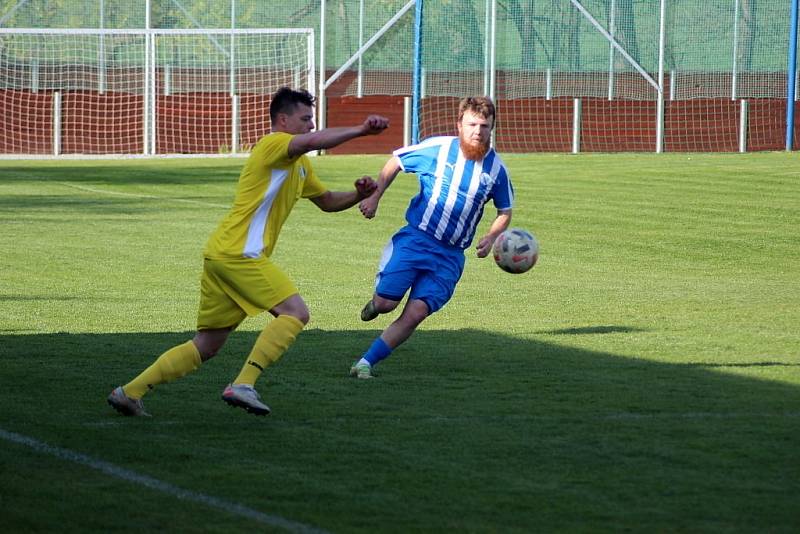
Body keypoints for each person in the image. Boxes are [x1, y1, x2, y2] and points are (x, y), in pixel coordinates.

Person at [108, 87, 389, 416]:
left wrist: (357, 194)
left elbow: (327, 202)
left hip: (222, 254)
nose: (311, 125)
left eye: (312, 119)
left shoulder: (299, 166)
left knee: (208, 344)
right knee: (295, 313)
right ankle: (243, 384)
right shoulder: (273, 145)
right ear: (282, 120)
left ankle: (129, 392)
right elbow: (312, 142)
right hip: (241, 254)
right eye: (305, 118)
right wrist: (360, 130)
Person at [350, 96, 513, 379]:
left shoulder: (496, 170)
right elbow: (396, 162)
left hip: (449, 257)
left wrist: (491, 236)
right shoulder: (438, 148)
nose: (478, 131)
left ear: (492, 128)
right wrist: (375, 197)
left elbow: (505, 211)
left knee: (415, 314)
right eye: (472, 124)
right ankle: (377, 301)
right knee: (387, 304)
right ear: (459, 125)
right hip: (417, 240)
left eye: (484, 125)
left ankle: (365, 362)